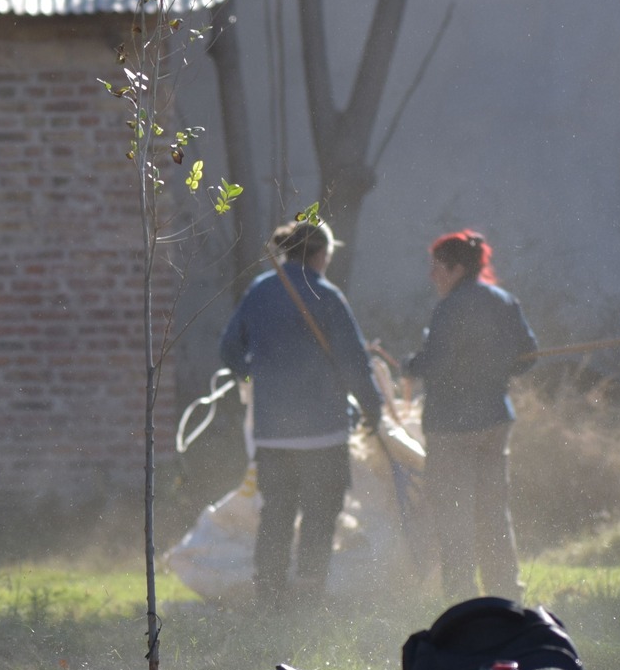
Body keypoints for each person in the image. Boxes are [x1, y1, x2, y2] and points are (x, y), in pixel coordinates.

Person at [218, 218, 385, 608]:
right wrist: (372, 409)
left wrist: (253, 376)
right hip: (323, 432)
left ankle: (270, 594)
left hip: (272, 433)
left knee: (276, 512)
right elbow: (353, 362)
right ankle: (309, 593)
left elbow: (228, 349)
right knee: (321, 513)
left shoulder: (259, 291)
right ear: (321, 254)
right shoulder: (326, 295)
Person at [405, 231, 538, 598]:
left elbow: (435, 363)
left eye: (437, 268)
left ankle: (461, 600)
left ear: (457, 268)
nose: (432, 276)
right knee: (493, 513)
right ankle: (506, 595)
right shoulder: (505, 301)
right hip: (495, 420)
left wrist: (410, 365)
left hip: (451, 428)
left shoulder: (451, 307)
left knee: (453, 516)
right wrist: (496, 368)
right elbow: (529, 355)